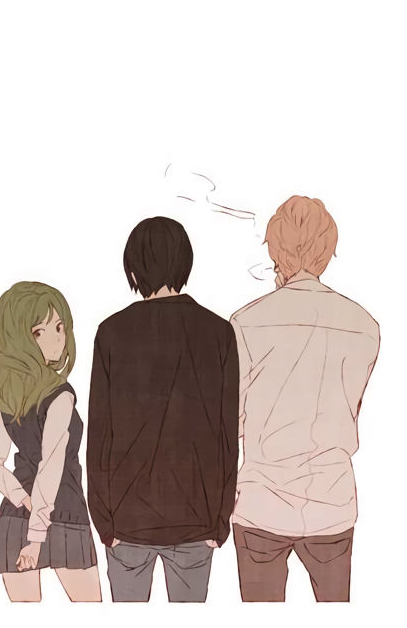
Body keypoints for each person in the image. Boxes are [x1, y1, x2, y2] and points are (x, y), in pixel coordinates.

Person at [230, 194, 380, 604]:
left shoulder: (245, 322)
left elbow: (234, 420)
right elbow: (351, 405)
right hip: (332, 500)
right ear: (327, 251)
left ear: (276, 250)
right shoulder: (364, 325)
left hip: (262, 503)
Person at [87, 214, 239, 604]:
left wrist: (104, 522)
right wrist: (219, 520)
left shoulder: (111, 332)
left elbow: (99, 435)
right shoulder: (219, 332)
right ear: (184, 264)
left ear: (133, 270)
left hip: (127, 521)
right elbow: (227, 435)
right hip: (196, 520)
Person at [0, 279, 100, 601]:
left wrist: (22, 499)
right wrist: (36, 536)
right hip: (64, 515)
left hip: (15, 518)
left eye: (59, 327)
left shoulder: (5, 393)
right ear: (19, 339)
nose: (56, 339)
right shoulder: (60, 395)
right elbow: (51, 466)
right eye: (40, 332)